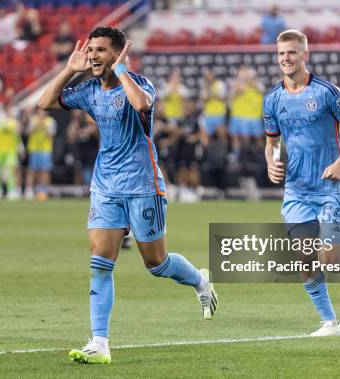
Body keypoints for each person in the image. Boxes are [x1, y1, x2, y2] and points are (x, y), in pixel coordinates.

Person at [38, 26, 217, 364]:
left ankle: (200, 280)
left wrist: (121, 69)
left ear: (118, 54)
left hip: (143, 186)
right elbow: (45, 102)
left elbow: (142, 103)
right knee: (100, 264)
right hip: (105, 187)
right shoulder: (88, 90)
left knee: (156, 264)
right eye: (91, 50)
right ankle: (100, 343)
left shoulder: (138, 84)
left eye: (101, 50)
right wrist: (68, 69)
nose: (93, 55)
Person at [264, 29, 340, 337]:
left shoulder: (325, 92)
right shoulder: (273, 99)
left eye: (292, 52)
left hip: (329, 190)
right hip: (296, 190)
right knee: (305, 259)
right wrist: (270, 162)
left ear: (305, 55)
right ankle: (330, 323)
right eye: (282, 53)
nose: (286, 58)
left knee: (330, 260)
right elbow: (270, 142)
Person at [24, 107, 56, 200]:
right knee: (32, 170)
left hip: (45, 149)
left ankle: (44, 190)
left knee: (45, 170)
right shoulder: (33, 120)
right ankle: (29, 190)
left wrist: (43, 127)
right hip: (34, 148)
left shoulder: (51, 121)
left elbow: (51, 134)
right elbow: (27, 132)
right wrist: (35, 126)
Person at [0, 103, 20, 201]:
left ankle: (11, 191)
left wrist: (20, 147)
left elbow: (17, 134)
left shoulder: (13, 121)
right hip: (0, 149)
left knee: (10, 171)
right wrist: (10, 124)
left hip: (11, 150)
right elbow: (0, 127)